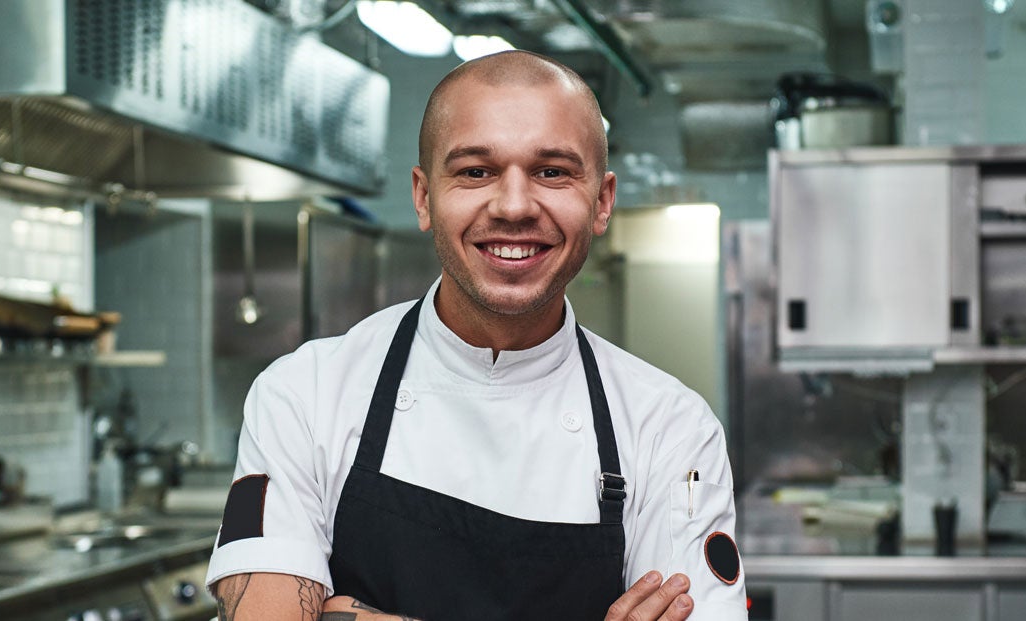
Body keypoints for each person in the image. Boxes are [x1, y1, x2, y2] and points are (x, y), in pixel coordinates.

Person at [206, 50, 746, 621]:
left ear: (602, 202)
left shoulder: (671, 430)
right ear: (423, 197)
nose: (513, 206)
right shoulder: (306, 395)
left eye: (552, 172)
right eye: (475, 171)